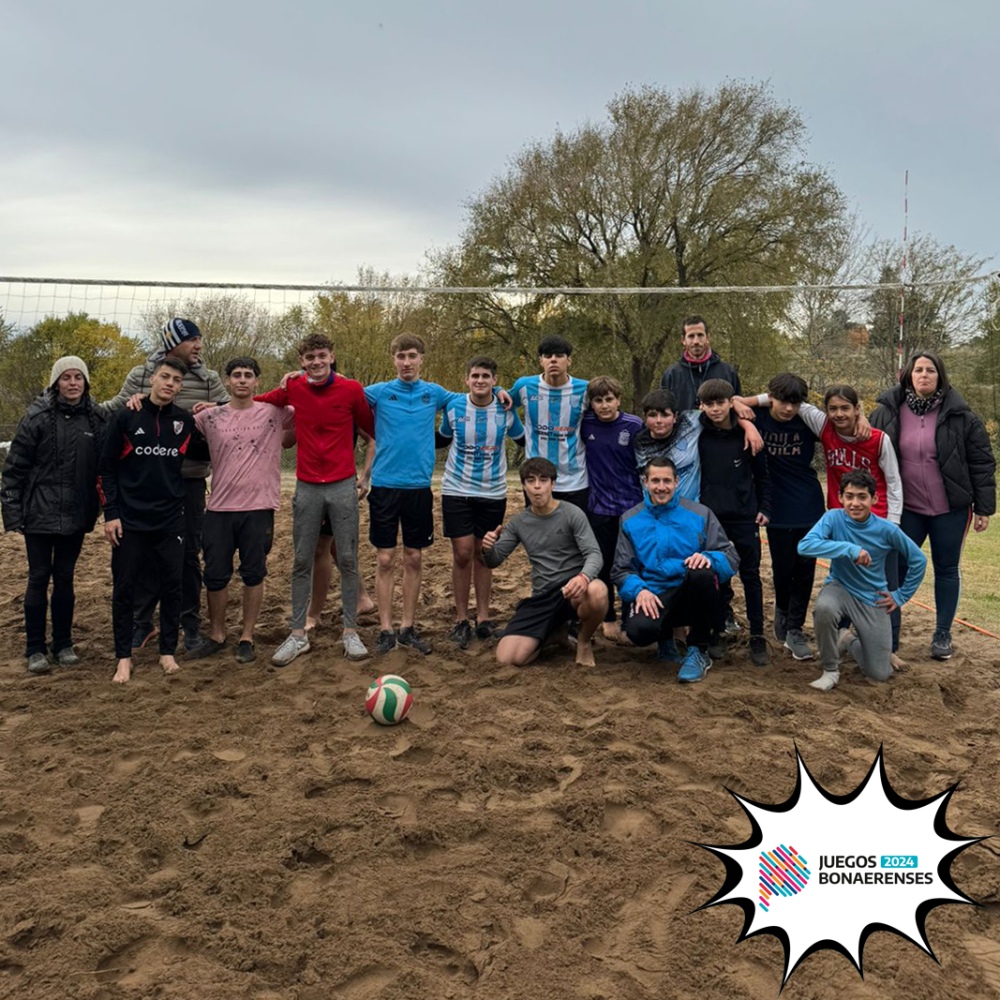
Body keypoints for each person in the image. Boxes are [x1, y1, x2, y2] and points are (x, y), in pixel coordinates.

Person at [103, 318, 228, 653]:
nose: (199, 346)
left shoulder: (209, 379)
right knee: (140, 556)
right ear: (173, 343)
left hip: (187, 481)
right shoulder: (140, 374)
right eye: (193, 340)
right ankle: (142, 623)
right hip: (143, 482)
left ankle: (189, 624)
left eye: (200, 339)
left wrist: (215, 407)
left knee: (188, 556)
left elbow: (233, 411)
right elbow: (115, 410)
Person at [254, 335, 375, 666]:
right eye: (310, 357)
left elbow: (371, 430)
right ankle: (297, 635)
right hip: (307, 488)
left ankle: (350, 632)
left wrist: (366, 477)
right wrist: (216, 408)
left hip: (342, 488)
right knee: (301, 560)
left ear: (332, 356)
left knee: (348, 560)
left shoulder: (351, 389)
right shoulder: (292, 388)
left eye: (322, 355)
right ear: (301, 360)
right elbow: (253, 402)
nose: (317, 361)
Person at [870, 350, 996, 660]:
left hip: (950, 510)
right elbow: (869, 454)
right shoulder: (887, 412)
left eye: (930, 370)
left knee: (947, 569)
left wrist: (984, 508)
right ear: (908, 376)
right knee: (895, 569)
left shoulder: (962, 416)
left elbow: (981, 463)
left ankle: (942, 633)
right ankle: (889, 635)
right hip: (907, 510)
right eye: (918, 370)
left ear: (940, 376)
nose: (924, 375)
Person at [99, 358, 202, 683]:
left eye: (175, 380)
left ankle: (167, 651)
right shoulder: (126, 416)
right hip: (129, 521)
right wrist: (111, 514)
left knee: (173, 586)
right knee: (125, 589)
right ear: (152, 380)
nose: (169, 383)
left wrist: (212, 405)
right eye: (164, 377)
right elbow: (105, 470)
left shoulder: (184, 422)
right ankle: (123, 658)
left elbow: (214, 444)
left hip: (170, 520)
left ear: (180, 387)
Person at [1, 356, 106, 674]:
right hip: (39, 513)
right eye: (66, 377)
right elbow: (15, 467)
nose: (73, 383)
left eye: (78, 377)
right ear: (55, 382)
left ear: (86, 383)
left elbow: (105, 468)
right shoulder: (37, 417)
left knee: (65, 578)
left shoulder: (96, 419)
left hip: (76, 514)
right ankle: (34, 648)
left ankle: (63, 643)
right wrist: (12, 512)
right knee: (38, 576)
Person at [188, 357, 295, 664]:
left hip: (259, 507)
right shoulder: (209, 417)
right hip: (219, 507)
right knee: (216, 575)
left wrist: (298, 377)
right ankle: (217, 634)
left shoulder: (276, 412)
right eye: (236, 375)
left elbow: (311, 410)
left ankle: (247, 636)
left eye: (249, 375)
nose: (242, 380)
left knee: (253, 573)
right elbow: (171, 422)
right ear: (228, 381)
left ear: (257, 381)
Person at [364, 333, 461, 655]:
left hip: (418, 488)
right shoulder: (378, 393)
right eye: (400, 356)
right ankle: (385, 629)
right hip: (385, 486)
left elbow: (472, 396)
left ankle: (407, 627)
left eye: (412, 356)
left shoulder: (434, 394)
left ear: (421, 359)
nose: (406, 362)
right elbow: (337, 396)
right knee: (385, 558)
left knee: (414, 557)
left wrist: (502, 392)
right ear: (393, 360)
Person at [612, 455, 738, 682]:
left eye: (667, 481)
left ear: (676, 482)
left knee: (702, 572)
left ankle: (698, 650)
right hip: (654, 594)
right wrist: (639, 590)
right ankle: (665, 640)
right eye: (656, 481)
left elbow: (730, 557)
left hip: (691, 593)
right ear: (645, 482)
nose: (661, 487)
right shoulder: (630, 519)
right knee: (639, 632)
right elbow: (621, 570)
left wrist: (708, 558)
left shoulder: (700, 514)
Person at [798, 471, 927, 691]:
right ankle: (830, 669)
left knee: (880, 674)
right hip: (839, 587)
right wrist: (848, 549)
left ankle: (847, 640)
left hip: (872, 597)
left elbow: (919, 560)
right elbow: (805, 546)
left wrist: (900, 596)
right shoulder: (833, 518)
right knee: (824, 608)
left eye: (862, 497)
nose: (855, 503)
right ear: (840, 498)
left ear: (873, 499)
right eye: (849, 496)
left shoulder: (887, 529)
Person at [481, 458, 607, 668]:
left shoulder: (572, 513)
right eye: (531, 481)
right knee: (508, 658)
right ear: (523, 485)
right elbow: (494, 561)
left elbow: (594, 554)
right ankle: (554, 633)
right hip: (542, 596)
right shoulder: (519, 522)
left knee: (598, 591)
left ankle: (583, 641)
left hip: (573, 591)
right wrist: (486, 548)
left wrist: (583, 577)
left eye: (543, 480)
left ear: (553, 484)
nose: (537, 486)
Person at [437, 356, 525, 648]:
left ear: (494, 380)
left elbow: (525, 441)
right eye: (474, 375)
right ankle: (461, 619)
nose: (480, 381)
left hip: (493, 492)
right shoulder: (454, 407)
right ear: (466, 380)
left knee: (483, 554)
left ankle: (484, 618)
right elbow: (442, 439)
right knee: (462, 553)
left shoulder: (506, 410)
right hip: (456, 489)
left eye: (485, 376)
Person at [696, 379, 772, 666]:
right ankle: (717, 631)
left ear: (731, 402)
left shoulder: (750, 435)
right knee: (716, 578)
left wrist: (764, 507)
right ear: (701, 406)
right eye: (709, 404)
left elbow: (763, 476)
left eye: (720, 402)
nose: (715, 409)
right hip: (711, 519)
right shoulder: (698, 434)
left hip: (745, 517)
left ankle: (757, 635)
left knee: (751, 577)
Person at [751, 373, 826, 661]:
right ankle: (782, 608)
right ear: (771, 397)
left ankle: (795, 628)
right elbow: (729, 407)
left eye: (795, 403)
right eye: (783, 402)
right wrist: (746, 422)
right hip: (774, 504)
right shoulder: (756, 416)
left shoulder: (807, 420)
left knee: (806, 567)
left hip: (808, 502)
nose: (789, 409)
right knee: (782, 569)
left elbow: (840, 428)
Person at [580, 376, 643, 640]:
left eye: (609, 399)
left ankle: (630, 617)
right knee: (603, 565)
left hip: (632, 507)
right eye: (598, 400)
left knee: (629, 564)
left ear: (618, 399)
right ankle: (608, 620)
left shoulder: (634, 425)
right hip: (599, 508)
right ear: (591, 403)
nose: (604, 405)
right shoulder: (585, 424)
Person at [509, 336, 590, 510]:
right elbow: (503, 406)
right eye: (547, 356)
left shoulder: (585, 390)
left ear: (569, 360)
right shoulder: (524, 386)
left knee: (571, 534)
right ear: (541, 361)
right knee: (539, 534)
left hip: (575, 480)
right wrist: (519, 435)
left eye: (559, 355)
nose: (553, 359)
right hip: (537, 480)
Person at [659, 315, 742, 412]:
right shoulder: (671, 374)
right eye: (691, 336)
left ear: (707, 337)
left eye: (700, 335)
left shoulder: (728, 372)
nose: (696, 341)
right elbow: (663, 411)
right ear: (683, 340)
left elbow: (737, 406)